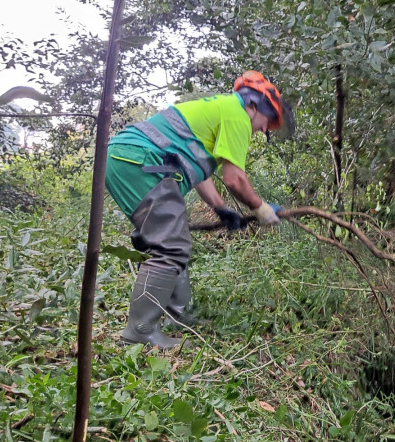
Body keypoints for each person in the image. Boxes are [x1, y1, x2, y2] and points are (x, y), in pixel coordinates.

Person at [105, 71, 289, 349]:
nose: (264, 130)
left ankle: (175, 318)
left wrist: (220, 208)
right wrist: (260, 207)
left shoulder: (219, 111)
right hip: (141, 162)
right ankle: (140, 332)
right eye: (267, 122)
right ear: (254, 106)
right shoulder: (236, 114)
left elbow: (202, 174)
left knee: (170, 241)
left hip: (130, 160)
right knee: (171, 246)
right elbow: (234, 178)